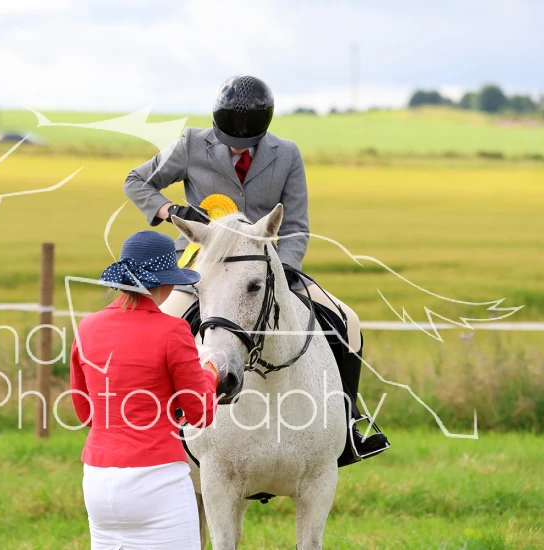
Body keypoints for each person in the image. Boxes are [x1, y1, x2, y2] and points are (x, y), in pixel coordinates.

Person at [123, 74, 389, 465]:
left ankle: (348, 426)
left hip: (265, 272)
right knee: (161, 326)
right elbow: (135, 180)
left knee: (346, 320)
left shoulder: (287, 154)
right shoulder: (191, 144)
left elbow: (295, 224)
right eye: (229, 140)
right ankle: (153, 426)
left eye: (245, 143)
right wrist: (170, 209)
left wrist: (283, 271)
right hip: (202, 269)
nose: (236, 147)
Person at [69, 230, 221, 550]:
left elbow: (85, 412)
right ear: (164, 283)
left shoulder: (87, 327)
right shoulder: (173, 330)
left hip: (98, 479)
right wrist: (210, 371)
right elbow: (201, 413)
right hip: (157, 480)